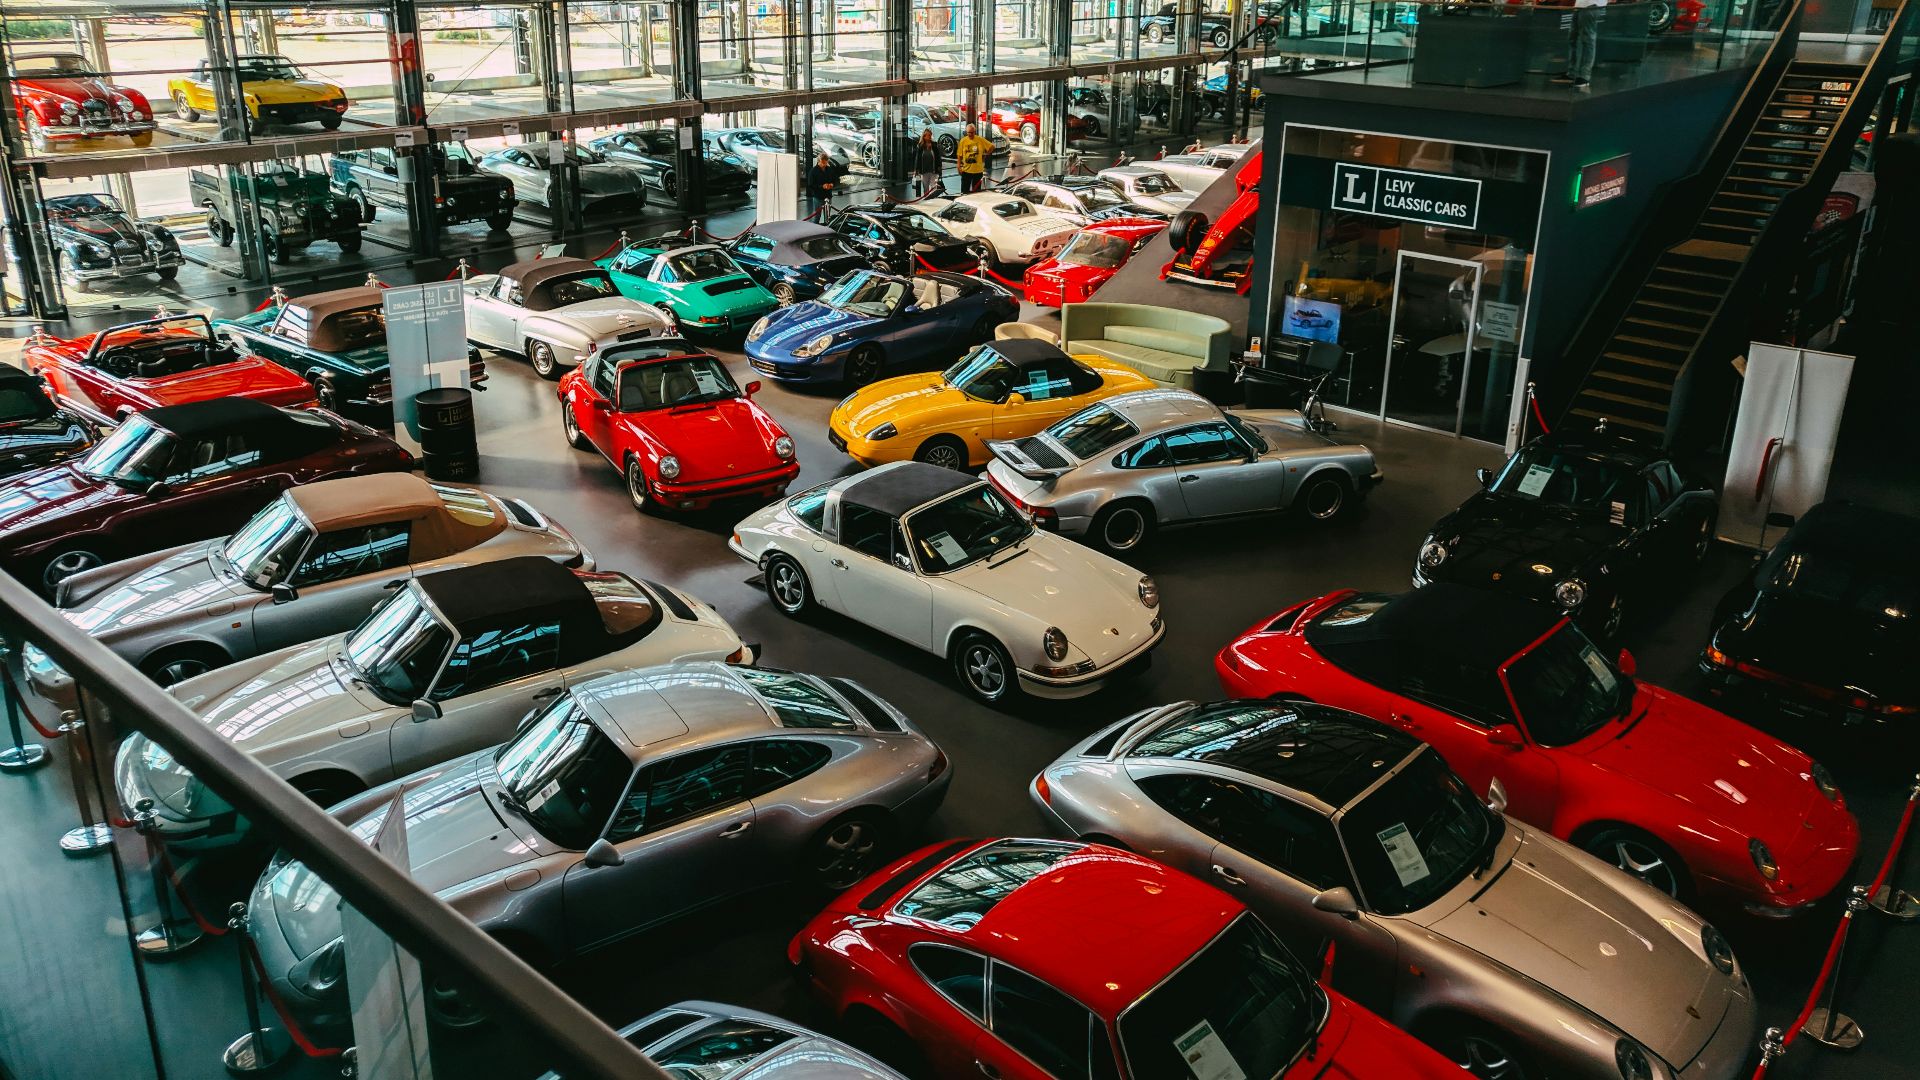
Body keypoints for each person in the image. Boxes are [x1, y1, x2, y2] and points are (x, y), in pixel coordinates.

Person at [1557, 0, 1606, 89]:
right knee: (1573, 38)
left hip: (1591, 5)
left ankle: (1584, 76)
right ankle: (1572, 73)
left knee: (1588, 40)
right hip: (1580, 6)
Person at [956, 123, 993, 195]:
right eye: (968, 132)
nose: (970, 134)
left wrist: (985, 154)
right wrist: (958, 166)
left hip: (978, 171)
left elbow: (991, 147)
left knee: (976, 193)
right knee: (964, 192)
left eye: (972, 132)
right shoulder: (963, 141)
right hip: (966, 170)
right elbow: (959, 154)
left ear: (975, 132)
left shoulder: (980, 139)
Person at [913, 130, 942, 198]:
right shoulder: (920, 146)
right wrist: (916, 169)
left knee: (934, 187)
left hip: (933, 170)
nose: (930, 137)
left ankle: (933, 199)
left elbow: (938, 157)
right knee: (925, 187)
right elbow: (917, 158)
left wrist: (940, 167)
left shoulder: (934, 145)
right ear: (924, 136)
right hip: (924, 170)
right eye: (928, 135)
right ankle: (926, 199)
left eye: (930, 135)